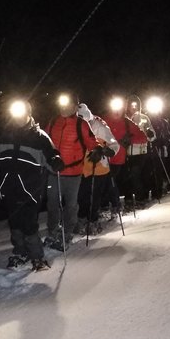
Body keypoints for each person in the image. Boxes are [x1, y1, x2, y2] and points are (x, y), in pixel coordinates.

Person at [0, 100, 64, 271]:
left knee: (29, 224)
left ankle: (37, 257)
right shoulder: (5, 135)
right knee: (14, 224)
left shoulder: (40, 137)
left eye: (21, 114)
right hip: (8, 188)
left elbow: (51, 156)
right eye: (15, 115)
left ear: (28, 114)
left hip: (31, 189)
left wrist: (55, 161)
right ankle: (21, 252)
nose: (18, 119)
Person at [44, 94, 100, 251]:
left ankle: (68, 232)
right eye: (61, 105)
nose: (63, 108)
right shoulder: (54, 121)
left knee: (70, 205)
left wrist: (97, 150)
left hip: (73, 173)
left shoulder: (81, 124)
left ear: (75, 107)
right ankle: (52, 232)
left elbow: (92, 141)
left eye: (67, 105)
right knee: (52, 203)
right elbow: (44, 141)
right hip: (54, 172)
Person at [74, 103, 119, 235]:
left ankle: (92, 220)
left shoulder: (99, 127)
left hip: (98, 167)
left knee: (94, 196)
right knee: (82, 196)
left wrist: (108, 151)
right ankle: (82, 218)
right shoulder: (75, 126)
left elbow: (114, 143)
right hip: (82, 168)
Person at [103, 97, 147, 214]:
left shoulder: (127, 123)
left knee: (122, 181)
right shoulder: (104, 120)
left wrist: (130, 139)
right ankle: (109, 204)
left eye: (119, 109)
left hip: (121, 159)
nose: (116, 112)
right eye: (114, 109)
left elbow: (142, 136)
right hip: (106, 159)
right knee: (107, 183)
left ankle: (123, 202)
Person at [126, 99, 154, 203]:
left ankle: (141, 196)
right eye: (131, 105)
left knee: (140, 174)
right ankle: (133, 196)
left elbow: (152, 133)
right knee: (133, 175)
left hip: (143, 150)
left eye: (136, 105)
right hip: (129, 151)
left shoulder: (144, 118)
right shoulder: (125, 119)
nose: (134, 107)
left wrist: (151, 135)